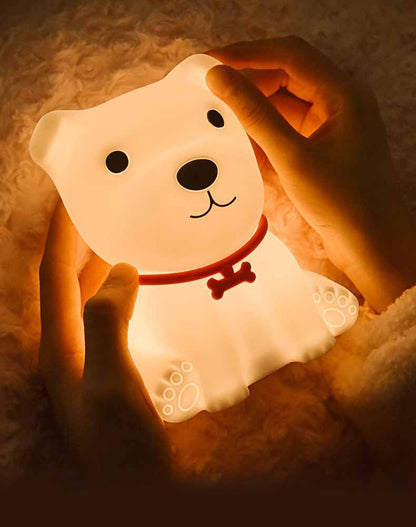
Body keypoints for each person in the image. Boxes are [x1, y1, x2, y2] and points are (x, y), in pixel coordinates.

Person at [38, 37, 416, 483]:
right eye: (117, 161)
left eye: (214, 118)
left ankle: (304, 320)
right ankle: (205, 379)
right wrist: (394, 266)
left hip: (256, 260)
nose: (193, 167)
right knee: (194, 344)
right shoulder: (153, 296)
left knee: (287, 295)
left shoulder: (257, 241)